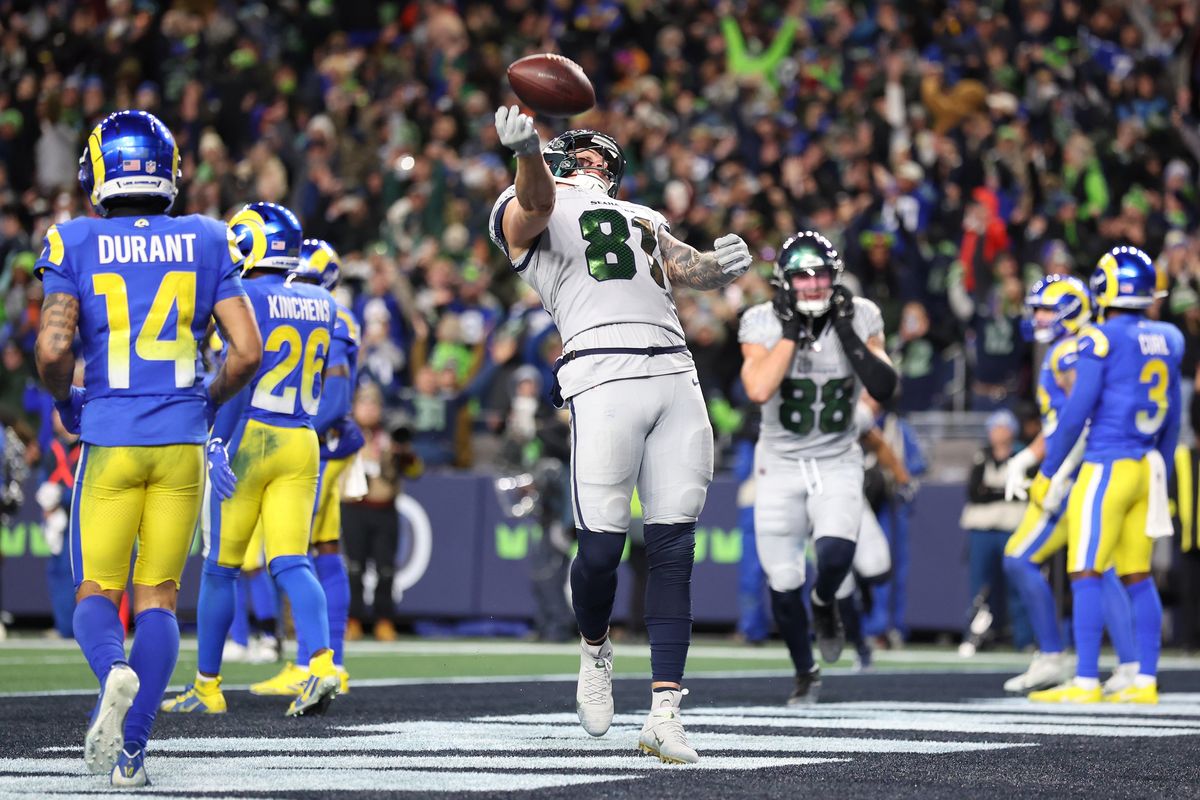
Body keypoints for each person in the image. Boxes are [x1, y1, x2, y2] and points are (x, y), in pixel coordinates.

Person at [489, 107, 752, 764]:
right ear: (558, 158)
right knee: (602, 548)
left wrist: (721, 265)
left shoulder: (642, 215)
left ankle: (666, 713)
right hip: (602, 372)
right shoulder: (530, 198)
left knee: (673, 549)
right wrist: (527, 156)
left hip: (675, 370)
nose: (595, 165)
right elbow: (532, 207)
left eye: (605, 160)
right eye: (585, 155)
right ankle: (595, 650)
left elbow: (686, 267)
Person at [32, 110, 261, 787]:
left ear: (98, 173)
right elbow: (247, 351)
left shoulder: (74, 238)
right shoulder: (208, 236)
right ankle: (132, 754)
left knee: (96, 591)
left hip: (111, 437)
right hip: (182, 443)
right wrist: (207, 400)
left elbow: (53, 348)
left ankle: (113, 670)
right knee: (158, 597)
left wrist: (66, 400)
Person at [160, 202, 339, 718]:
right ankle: (321, 664)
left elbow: (241, 370)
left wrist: (219, 439)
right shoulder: (322, 300)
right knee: (292, 561)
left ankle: (207, 686)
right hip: (301, 438)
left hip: (250, 435)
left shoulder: (244, 295)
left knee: (220, 569)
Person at [739, 231, 897, 705]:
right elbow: (759, 390)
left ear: (836, 277)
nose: (812, 285)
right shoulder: (761, 321)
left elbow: (885, 385)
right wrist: (791, 331)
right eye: (802, 277)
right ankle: (804, 671)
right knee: (783, 578)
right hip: (780, 463)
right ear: (783, 282)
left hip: (837, 456)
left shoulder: (861, 314)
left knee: (835, 554)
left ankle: (825, 601)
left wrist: (845, 331)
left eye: (821, 275)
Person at [1030, 247, 1184, 705]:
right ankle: (1145, 680)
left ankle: (1084, 680)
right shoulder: (1169, 337)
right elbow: (1173, 416)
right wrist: (1162, 471)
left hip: (1107, 465)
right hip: (1148, 466)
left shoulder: (1099, 338)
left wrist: (1049, 469)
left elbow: (1078, 411)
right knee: (1138, 574)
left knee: (1085, 570)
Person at [1001, 275, 1139, 693]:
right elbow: (1060, 423)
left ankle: (1054, 656)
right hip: (1088, 472)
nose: (1039, 317)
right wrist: (1026, 457)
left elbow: (1082, 420)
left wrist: (1056, 472)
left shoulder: (1071, 352)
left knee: (1021, 558)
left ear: (1070, 310)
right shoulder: (1070, 348)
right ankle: (1130, 665)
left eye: (1046, 308)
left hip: (1077, 477)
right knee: (1100, 567)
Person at [250, 239, 362, 697]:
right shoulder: (335, 312)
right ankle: (333, 662)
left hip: (318, 441)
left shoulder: (326, 314)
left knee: (297, 553)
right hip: (326, 440)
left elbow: (335, 394)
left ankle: (310, 663)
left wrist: (293, 430)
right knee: (325, 548)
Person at [341, 383, 424, 641]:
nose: (369, 409)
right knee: (354, 567)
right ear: (354, 406)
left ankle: (384, 619)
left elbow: (415, 471)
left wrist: (403, 452)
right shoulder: (344, 432)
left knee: (386, 568)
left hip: (384, 508)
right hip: (354, 507)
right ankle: (353, 619)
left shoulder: (390, 436)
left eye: (374, 404)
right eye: (364, 403)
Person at [959, 410, 1031, 654]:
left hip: (1012, 528)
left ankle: (1024, 638)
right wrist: (1002, 492)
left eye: (1003, 428)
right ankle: (976, 636)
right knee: (980, 587)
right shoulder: (982, 456)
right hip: (982, 529)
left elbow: (1024, 490)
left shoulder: (1023, 455)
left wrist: (991, 491)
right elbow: (974, 492)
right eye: (994, 428)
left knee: (1017, 583)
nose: (998, 433)